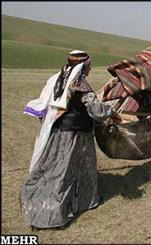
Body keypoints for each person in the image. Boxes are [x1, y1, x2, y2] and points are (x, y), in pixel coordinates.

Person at [20, 50, 123, 229]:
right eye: (89, 65)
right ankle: (57, 211)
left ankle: (82, 200)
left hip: (59, 132)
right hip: (76, 136)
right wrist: (112, 112)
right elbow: (96, 110)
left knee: (54, 167)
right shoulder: (79, 83)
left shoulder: (60, 77)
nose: (90, 68)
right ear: (83, 66)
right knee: (70, 169)